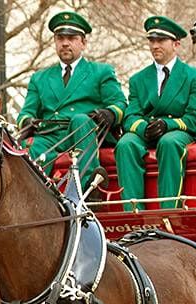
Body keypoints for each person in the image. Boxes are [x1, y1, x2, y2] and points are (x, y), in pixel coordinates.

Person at [16, 11, 126, 189]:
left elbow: (120, 103)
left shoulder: (101, 72)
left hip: (82, 133)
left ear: (83, 43)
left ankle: (87, 188)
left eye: (72, 38)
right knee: (26, 149)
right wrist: (28, 120)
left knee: (80, 119)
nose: (65, 43)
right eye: (60, 38)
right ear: (55, 42)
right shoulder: (40, 78)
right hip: (49, 135)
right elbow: (26, 112)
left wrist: (110, 113)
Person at [114, 15, 196, 209]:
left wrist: (168, 124)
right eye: (152, 41)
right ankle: (132, 213)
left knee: (169, 142)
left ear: (176, 44)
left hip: (179, 132)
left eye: (161, 41)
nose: (155, 45)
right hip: (147, 132)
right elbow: (131, 115)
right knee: (125, 144)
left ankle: (168, 210)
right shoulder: (138, 79)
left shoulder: (194, 77)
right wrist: (143, 129)